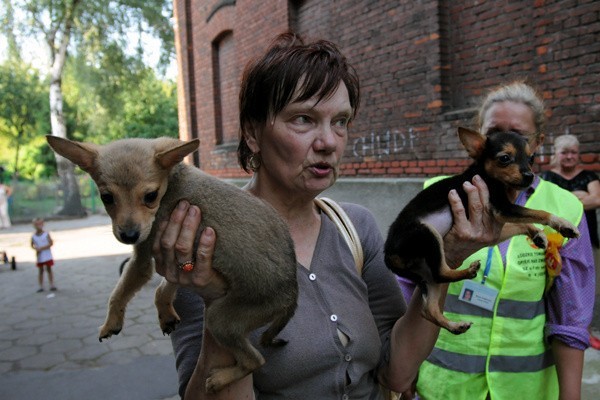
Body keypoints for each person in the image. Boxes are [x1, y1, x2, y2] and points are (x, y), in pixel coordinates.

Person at [151, 33, 502, 400]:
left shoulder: (356, 228)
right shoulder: (203, 249)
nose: (329, 142)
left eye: (340, 121)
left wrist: (447, 260)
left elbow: (397, 373)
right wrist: (217, 301)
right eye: (304, 119)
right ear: (253, 133)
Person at [399, 81, 595, 400]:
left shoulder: (565, 209)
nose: (505, 144)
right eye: (493, 133)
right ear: (478, 141)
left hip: (525, 389)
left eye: (519, 135)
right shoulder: (441, 194)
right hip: (444, 387)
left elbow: (571, 316)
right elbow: (404, 283)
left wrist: (570, 395)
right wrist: (402, 366)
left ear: (537, 143)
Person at [542, 134, 600, 349]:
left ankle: (587, 331)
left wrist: (565, 200)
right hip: (555, 242)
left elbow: (597, 199)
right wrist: (580, 197)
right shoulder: (547, 177)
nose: (569, 156)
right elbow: (547, 208)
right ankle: (556, 328)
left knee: (587, 288)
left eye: (573, 152)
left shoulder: (588, 175)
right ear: (556, 154)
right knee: (555, 286)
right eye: (564, 152)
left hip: (588, 240)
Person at [31, 217, 57, 292]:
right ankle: (41, 286)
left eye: (40, 224)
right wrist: (36, 248)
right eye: (37, 224)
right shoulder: (33, 236)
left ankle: (52, 284)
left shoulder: (46, 234)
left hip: (47, 255)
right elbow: (32, 245)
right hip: (40, 256)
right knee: (41, 270)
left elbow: (51, 243)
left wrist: (42, 248)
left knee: (49, 269)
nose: (39, 226)